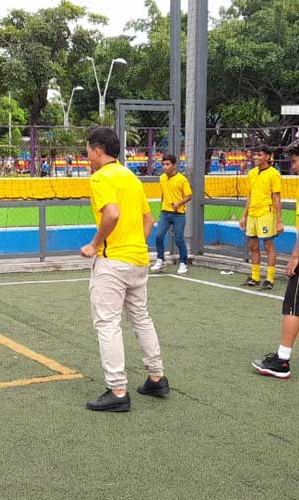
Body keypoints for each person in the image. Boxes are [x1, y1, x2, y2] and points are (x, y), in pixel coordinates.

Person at [80, 127, 168, 412]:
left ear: (97, 150)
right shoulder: (130, 177)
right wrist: (133, 244)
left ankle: (117, 390)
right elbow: (148, 219)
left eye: (88, 152)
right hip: (137, 259)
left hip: (113, 261)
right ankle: (156, 376)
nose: (87, 157)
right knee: (141, 318)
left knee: (107, 323)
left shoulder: (101, 178)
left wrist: (95, 244)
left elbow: (112, 213)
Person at [251, 143, 299, 379]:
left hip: (268, 218)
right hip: (254, 214)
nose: (294, 165)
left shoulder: (275, 177)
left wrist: (295, 257)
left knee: (293, 306)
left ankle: (282, 361)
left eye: (295, 160)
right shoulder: (252, 174)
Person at [239, 145, 282, 290]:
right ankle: (255, 277)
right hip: (252, 214)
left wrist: (279, 221)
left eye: (260, 155)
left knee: (268, 245)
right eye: (255, 155)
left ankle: (269, 279)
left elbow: (276, 198)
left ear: (268, 157)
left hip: (266, 213)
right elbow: (249, 196)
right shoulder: (251, 173)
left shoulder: (273, 174)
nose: (256, 157)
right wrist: (244, 215)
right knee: (253, 245)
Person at [151, 154, 192, 275]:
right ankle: (160, 260)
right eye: (163, 164)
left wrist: (178, 203)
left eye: (167, 164)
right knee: (158, 236)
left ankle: (183, 263)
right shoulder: (162, 178)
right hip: (165, 213)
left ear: (174, 165)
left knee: (179, 239)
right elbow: (164, 194)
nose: (165, 167)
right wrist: (162, 207)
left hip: (178, 214)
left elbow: (189, 195)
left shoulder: (182, 179)